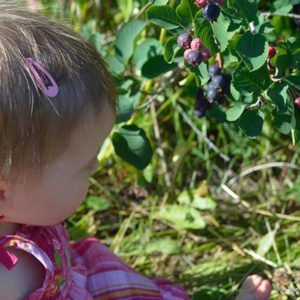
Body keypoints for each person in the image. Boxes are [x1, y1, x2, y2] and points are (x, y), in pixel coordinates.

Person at [0, 2, 272, 299]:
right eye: (84, 165)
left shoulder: (27, 199)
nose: (95, 167)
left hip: (82, 277)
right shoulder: (8, 280)